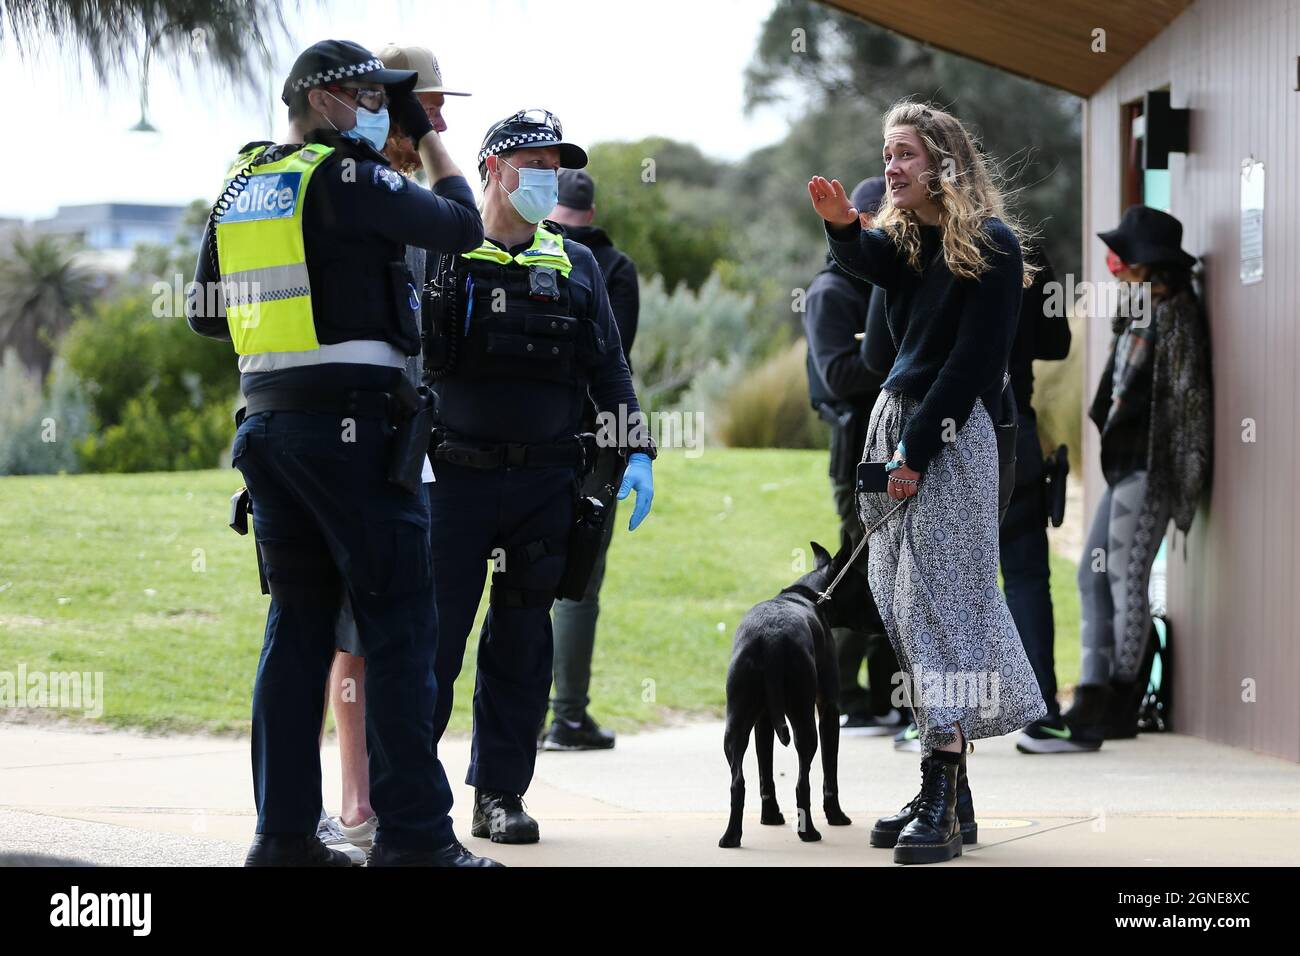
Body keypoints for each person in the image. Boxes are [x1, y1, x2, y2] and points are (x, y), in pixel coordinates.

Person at [187, 39, 497, 867]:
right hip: (354, 431)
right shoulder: (348, 177)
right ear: (323, 102)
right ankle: (417, 843)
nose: (381, 109)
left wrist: (306, 306)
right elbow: (464, 225)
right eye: (369, 96)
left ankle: (284, 840)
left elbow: (206, 313)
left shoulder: (247, 182)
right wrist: (430, 138)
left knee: (296, 629)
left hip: (269, 428)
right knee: (400, 626)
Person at [809, 100, 1048, 864]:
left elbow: (975, 367)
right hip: (895, 426)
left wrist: (916, 448)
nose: (891, 166)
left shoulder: (995, 247)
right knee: (901, 600)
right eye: (886, 153)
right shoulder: (906, 242)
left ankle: (941, 789)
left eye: (905, 153)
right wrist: (847, 227)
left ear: (944, 161)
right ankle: (951, 791)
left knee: (941, 604)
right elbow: (871, 281)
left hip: (949, 434)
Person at [422, 109, 656, 844]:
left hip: (543, 489)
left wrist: (637, 448)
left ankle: (500, 794)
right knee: (433, 644)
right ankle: (411, 799)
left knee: (523, 645)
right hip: (451, 482)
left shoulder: (575, 264)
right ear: (491, 168)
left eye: (556, 165)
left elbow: (608, 368)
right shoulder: (444, 252)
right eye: (534, 162)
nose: (547, 177)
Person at [319, 43, 472, 856]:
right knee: (353, 634)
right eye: (425, 107)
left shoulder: (403, 198)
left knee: (392, 635)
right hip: (349, 442)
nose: (438, 120)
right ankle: (355, 806)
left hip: (403, 444)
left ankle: (379, 805)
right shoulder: (352, 187)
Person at [1060, 205, 1211, 748]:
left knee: (1126, 581)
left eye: (1125, 252)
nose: (1116, 261)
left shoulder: (1176, 315)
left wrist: (1185, 481)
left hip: (1151, 470)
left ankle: (1120, 706)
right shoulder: (1137, 309)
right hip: (1125, 467)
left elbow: (1190, 404)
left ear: (1148, 262)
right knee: (1091, 576)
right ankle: (1091, 696)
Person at [541, 168, 640, 751]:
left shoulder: (524, 249)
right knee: (579, 580)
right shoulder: (616, 267)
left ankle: (523, 718)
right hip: (597, 438)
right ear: (593, 211)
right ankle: (568, 716)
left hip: (534, 433)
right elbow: (612, 356)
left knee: (518, 579)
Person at [803, 175, 905, 737]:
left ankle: (883, 695)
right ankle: (841, 697)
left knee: (893, 573)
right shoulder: (831, 292)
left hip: (895, 451)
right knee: (859, 569)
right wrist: (894, 357)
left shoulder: (885, 284)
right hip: (854, 455)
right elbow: (838, 375)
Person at [991, 246, 1076, 753]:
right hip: (1014, 427)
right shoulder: (1025, 252)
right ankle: (1041, 715)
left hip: (945, 429)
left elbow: (876, 356)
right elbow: (1059, 342)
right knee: (1026, 576)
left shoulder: (929, 241)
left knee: (942, 576)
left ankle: (935, 716)